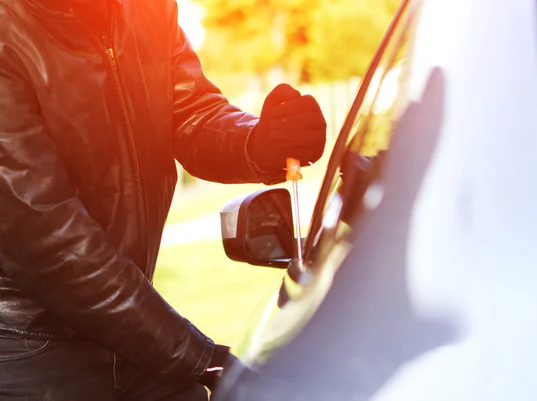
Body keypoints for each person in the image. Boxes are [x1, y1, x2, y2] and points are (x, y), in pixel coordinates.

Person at [0, 0, 327, 399]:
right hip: (30, 346)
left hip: (134, 330)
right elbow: (54, 240)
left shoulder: (149, 9)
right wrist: (201, 358)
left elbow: (190, 114)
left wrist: (260, 142)